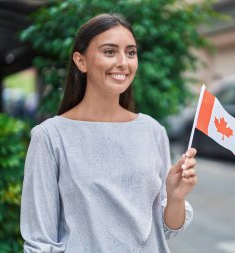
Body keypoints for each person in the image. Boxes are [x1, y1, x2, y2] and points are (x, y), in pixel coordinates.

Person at [20, 13, 198, 253]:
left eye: (131, 52)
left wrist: (175, 197)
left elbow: (166, 230)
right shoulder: (50, 136)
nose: (123, 62)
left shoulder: (153, 131)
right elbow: (40, 243)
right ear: (81, 61)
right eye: (110, 51)